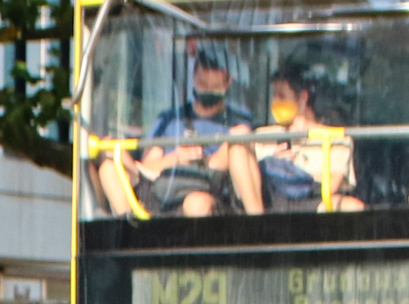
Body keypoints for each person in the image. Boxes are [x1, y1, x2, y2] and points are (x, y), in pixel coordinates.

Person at [99, 47, 262, 218]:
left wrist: (199, 160)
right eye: (203, 84)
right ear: (193, 78)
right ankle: (128, 226)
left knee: (196, 204)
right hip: (162, 188)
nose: (208, 90)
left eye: (215, 86)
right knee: (108, 162)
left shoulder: (238, 122)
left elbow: (222, 163)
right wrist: (176, 158)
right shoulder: (169, 120)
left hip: (204, 189)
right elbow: (149, 166)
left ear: (228, 82)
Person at [242, 68, 360, 212]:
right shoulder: (261, 136)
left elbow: (332, 184)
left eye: (282, 96)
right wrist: (272, 162)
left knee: (352, 207)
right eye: (274, 95)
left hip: (311, 201)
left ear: (303, 98)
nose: (275, 101)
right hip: (270, 200)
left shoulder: (335, 138)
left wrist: (294, 172)